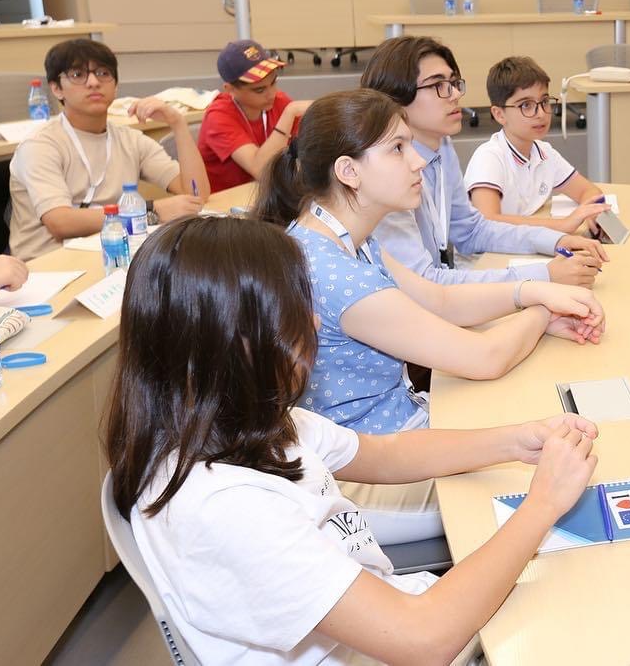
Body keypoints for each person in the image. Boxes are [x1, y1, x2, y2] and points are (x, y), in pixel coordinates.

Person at [104, 215, 600, 665]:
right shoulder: (224, 507)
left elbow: (385, 455)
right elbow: (425, 640)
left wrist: (515, 442)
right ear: (237, 341)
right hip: (408, 635)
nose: (315, 323)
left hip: (388, 616)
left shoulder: (248, 422)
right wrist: (542, 505)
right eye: (294, 311)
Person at [254, 88, 604, 544]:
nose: (418, 161)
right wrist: (542, 310)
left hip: (397, 439)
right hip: (370, 477)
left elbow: (440, 301)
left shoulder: (338, 238)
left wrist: (532, 292)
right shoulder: (337, 275)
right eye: (398, 148)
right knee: (564, 478)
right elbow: (484, 358)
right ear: (348, 171)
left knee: (544, 439)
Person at [361, 36, 607, 289]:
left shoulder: (442, 147)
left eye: (454, 83)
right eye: (438, 85)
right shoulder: (383, 174)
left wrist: (554, 241)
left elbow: (471, 230)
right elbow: (424, 285)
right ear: (396, 98)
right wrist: (543, 275)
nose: (456, 94)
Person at [7, 39, 209, 260]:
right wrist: (152, 210)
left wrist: (177, 123)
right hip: (48, 264)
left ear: (116, 86)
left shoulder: (130, 139)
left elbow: (196, 194)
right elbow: (60, 222)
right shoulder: (40, 145)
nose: (94, 82)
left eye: (103, 73)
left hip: (113, 253)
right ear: (56, 88)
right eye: (78, 75)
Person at [464, 56, 608, 233]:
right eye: (526, 105)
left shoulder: (545, 152)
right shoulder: (489, 157)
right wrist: (563, 225)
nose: (541, 114)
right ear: (499, 114)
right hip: (490, 250)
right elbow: (487, 222)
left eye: (544, 102)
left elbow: (589, 191)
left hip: (525, 243)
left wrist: (591, 212)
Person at [197, 39, 311, 192]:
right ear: (230, 89)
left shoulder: (279, 101)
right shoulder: (218, 117)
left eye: (274, 82)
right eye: (259, 90)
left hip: (264, 194)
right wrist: (289, 114)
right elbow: (262, 170)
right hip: (224, 201)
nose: (272, 93)